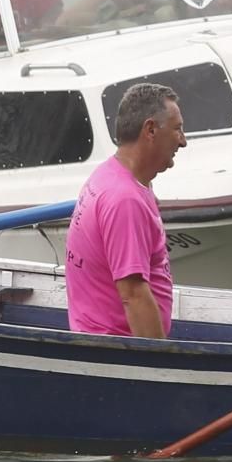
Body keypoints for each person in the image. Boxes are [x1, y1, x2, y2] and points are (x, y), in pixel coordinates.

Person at [66, 83, 187, 338]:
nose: (183, 141)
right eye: (178, 129)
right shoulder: (124, 200)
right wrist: (159, 369)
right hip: (117, 351)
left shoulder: (110, 174)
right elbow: (133, 295)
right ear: (151, 130)